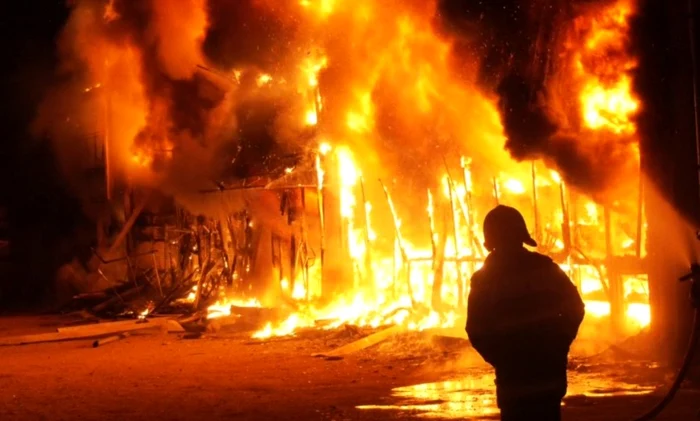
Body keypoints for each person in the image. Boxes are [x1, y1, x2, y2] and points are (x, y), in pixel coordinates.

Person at [466, 205, 585, 421]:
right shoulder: (545, 269)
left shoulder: (485, 279)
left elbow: (476, 329)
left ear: (490, 240)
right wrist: (561, 343)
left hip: (514, 381)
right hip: (548, 374)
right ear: (521, 236)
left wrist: (501, 359)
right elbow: (575, 307)